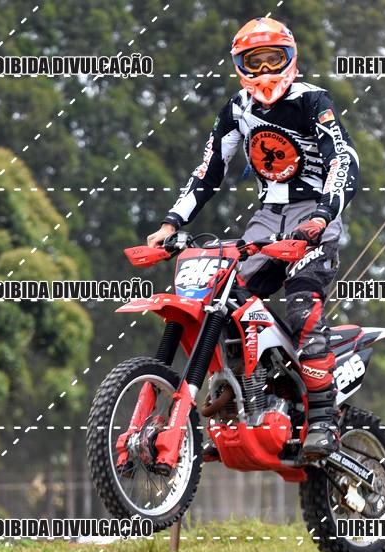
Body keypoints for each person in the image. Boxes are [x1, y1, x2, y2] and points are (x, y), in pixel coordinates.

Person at [146, 17, 360, 459]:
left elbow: (343, 159)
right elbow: (208, 171)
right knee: (223, 300)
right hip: (266, 220)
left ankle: (323, 419)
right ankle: (242, 401)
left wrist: (322, 216)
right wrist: (170, 224)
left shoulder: (312, 100)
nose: (264, 73)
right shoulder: (236, 109)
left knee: (302, 308)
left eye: (273, 60)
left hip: (313, 216)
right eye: (253, 62)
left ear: (291, 59)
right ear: (239, 66)